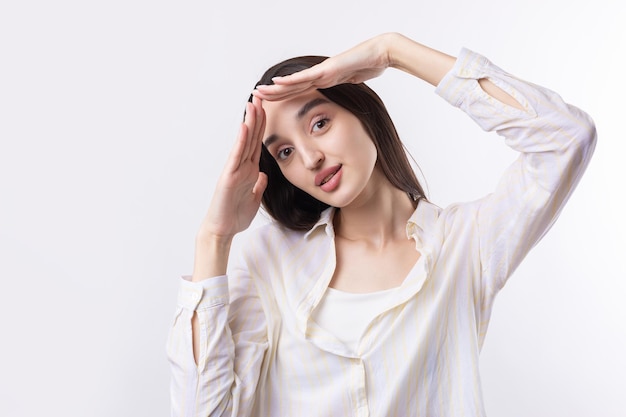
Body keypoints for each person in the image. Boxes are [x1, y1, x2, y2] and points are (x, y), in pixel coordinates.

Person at [167, 33, 596, 416]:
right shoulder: (270, 260)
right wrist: (214, 238)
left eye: (320, 123)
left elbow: (566, 137)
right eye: (284, 153)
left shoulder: (467, 245)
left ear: (363, 112)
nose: (310, 157)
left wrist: (395, 51)